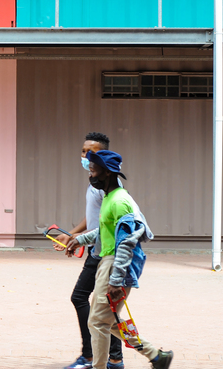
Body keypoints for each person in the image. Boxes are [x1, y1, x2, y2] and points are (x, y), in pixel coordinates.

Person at [67, 151, 173, 369]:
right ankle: (156, 356)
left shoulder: (120, 202)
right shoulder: (109, 197)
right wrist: (81, 240)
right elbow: (105, 230)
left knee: (97, 321)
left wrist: (116, 280)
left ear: (107, 172)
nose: (90, 175)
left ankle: (99, 366)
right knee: (105, 319)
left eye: (94, 171)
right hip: (106, 262)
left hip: (115, 264)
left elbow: (125, 243)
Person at [54, 132, 124, 369]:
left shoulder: (107, 186)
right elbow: (93, 216)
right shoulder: (96, 179)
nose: (85, 156)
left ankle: (92, 356)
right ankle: (114, 358)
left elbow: (106, 223)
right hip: (97, 249)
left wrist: (78, 239)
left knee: (86, 300)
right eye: (83, 151)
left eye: (91, 152)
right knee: (101, 306)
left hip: (105, 252)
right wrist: (72, 234)